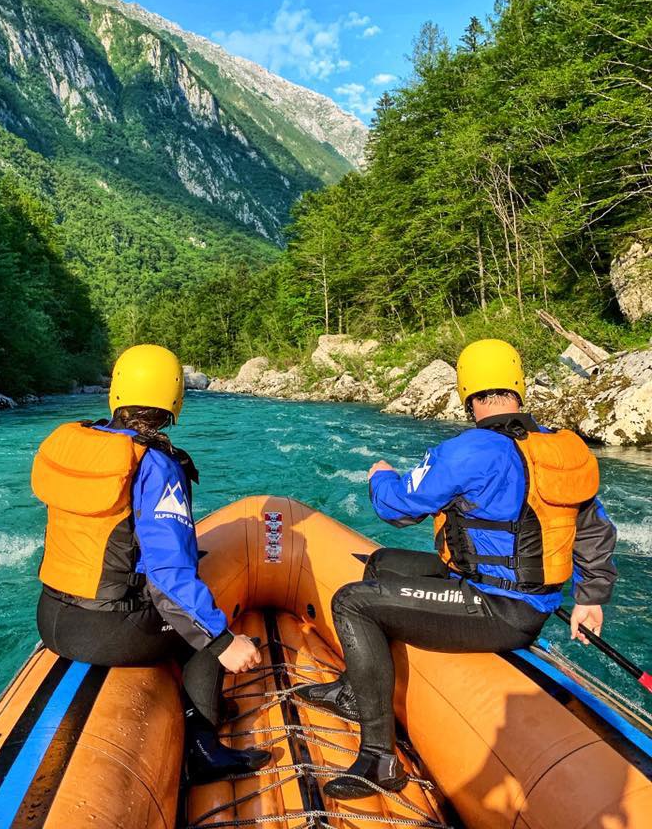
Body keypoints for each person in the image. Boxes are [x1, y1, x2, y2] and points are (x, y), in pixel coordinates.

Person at [297, 338, 617, 800]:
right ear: (517, 386)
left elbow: (397, 508)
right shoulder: (562, 448)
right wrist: (590, 599)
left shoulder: (470, 450)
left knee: (352, 602)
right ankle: (355, 688)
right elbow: (594, 529)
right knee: (383, 562)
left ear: (467, 392)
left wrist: (379, 475)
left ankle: (379, 759)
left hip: (497, 609)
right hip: (514, 596)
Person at [31, 343, 270, 784]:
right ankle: (203, 747)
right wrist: (222, 643)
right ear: (175, 399)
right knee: (201, 620)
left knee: (185, 606)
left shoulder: (76, 444)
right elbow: (169, 575)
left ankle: (200, 704)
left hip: (51, 618)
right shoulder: (155, 464)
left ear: (116, 394)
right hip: (107, 632)